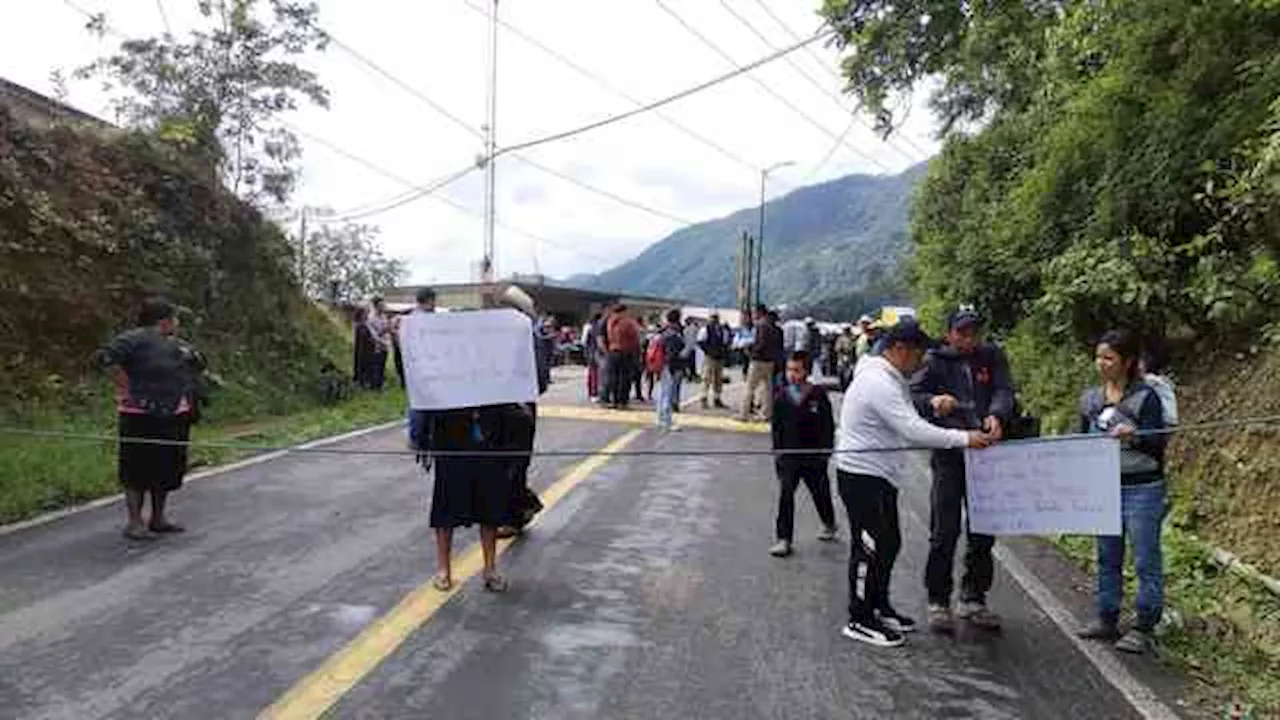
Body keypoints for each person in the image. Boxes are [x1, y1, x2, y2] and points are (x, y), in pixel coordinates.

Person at [834, 320, 992, 648]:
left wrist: (935, 405)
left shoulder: (891, 377)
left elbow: (911, 419)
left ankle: (879, 605)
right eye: (918, 354)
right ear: (899, 350)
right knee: (869, 547)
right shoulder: (879, 382)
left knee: (889, 542)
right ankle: (859, 618)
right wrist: (964, 438)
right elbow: (912, 429)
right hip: (862, 474)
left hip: (880, 475)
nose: (922, 362)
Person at [910, 308, 1015, 633]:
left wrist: (997, 414)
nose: (969, 339)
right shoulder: (934, 360)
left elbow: (1004, 389)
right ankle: (938, 599)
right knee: (945, 529)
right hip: (950, 451)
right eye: (962, 333)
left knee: (983, 528)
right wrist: (933, 402)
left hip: (986, 452)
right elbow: (913, 395)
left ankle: (974, 596)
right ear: (950, 334)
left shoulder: (992, 356)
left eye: (974, 333)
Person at [1076, 329, 1169, 655]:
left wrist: (1136, 436)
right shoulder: (1090, 399)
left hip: (1142, 488)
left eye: (1109, 358)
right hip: (1103, 487)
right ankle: (1107, 617)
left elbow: (1159, 441)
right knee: (1107, 555)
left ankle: (1145, 625)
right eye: (1099, 357)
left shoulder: (1147, 398)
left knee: (1145, 558)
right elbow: (1080, 442)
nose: (1101, 364)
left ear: (1127, 362)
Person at [94, 297, 208, 541]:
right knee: (137, 467)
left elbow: (198, 364)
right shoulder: (132, 339)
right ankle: (135, 522)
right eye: (175, 318)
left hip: (174, 413)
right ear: (164, 320)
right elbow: (105, 358)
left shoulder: (177, 344)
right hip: (140, 414)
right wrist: (127, 386)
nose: (177, 323)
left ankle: (158, 518)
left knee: (167, 466)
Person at [769, 351, 838, 557]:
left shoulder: (818, 395)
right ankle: (784, 539)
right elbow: (776, 427)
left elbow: (828, 425)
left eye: (796, 370)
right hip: (790, 456)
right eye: (789, 370)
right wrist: (778, 453)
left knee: (820, 492)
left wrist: (827, 449)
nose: (792, 374)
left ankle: (829, 522)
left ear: (806, 371)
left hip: (814, 456)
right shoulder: (781, 396)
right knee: (786, 496)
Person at [405, 287, 437, 469]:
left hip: (415, 367)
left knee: (417, 402)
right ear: (429, 300)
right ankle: (419, 438)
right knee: (423, 404)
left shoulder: (409, 320)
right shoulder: (425, 321)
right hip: (425, 367)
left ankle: (416, 437)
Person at [740, 305, 784, 422]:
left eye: (755, 312)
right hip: (770, 362)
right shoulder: (777, 328)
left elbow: (759, 343)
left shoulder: (761, 325)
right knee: (767, 389)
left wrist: (750, 351)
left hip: (758, 360)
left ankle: (744, 413)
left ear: (760, 313)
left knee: (750, 387)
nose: (753, 315)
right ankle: (766, 414)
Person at [653, 308, 687, 432]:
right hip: (670, 366)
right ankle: (666, 420)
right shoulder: (674, 334)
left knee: (662, 392)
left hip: (661, 364)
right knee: (668, 393)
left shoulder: (662, 332)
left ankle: (660, 418)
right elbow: (673, 353)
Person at [605, 304, 642, 410]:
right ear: (624, 311)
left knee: (614, 377)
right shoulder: (628, 322)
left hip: (612, 351)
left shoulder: (610, 321)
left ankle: (614, 400)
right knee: (625, 378)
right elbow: (635, 337)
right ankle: (623, 401)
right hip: (626, 351)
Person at [697, 312, 731, 409]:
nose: (714, 320)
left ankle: (717, 398)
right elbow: (700, 341)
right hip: (710, 357)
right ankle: (703, 398)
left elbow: (726, 341)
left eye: (716, 318)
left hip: (719, 357)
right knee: (706, 378)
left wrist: (724, 351)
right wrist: (708, 351)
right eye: (712, 318)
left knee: (718, 379)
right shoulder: (705, 329)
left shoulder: (722, 330)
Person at [584, 312, 603, 402]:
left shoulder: (589, 327)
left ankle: (591, 392)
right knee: (596, 374)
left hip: (590, 351)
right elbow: (599, 342)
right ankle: (595, 393)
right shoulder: (597, 328)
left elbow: (584, 341)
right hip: (596, 352)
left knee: (591, 373)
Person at [835, 325, 857, 389]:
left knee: (849, 374)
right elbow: (837, 348)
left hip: (850, 358)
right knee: (841, 373)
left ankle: (847, 386)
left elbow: (854, 347)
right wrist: (842, 350)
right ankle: (842, 386)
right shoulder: (840, 338)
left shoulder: (853, 338)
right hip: (842, 358)